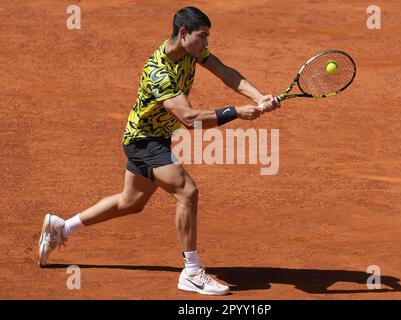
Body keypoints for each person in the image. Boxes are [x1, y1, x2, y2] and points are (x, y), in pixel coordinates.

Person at [38, 6, 280, 296]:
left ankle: (61, 228)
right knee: (187, 191)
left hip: (158, 137)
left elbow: (225, 72)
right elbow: (189, 119)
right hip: (144, 140)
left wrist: (259, 96)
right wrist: (236, 112)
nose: (206, 44)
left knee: (131, 202)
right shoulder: (158, 72)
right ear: (182, 33)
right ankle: (191, 272)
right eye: (202, 37)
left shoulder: (193, 52)